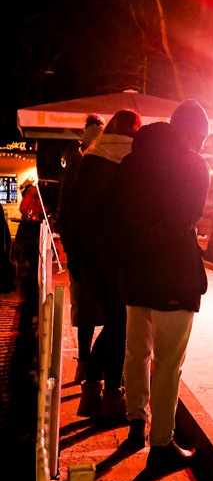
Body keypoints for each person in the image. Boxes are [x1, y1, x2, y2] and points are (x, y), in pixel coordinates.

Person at [107, 99, 211, 471]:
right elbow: (188, 215)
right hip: (173, 276)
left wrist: (131, 252)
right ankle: (161, 444)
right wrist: (157, 243)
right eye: (201, 138)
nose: (200, 145)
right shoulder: (193, 165)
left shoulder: (132, 162)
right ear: (193, 134)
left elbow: (109, 215)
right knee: (168, 364)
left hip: (136, 275)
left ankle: (136, 423)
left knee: (136, 351)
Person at [70, 109, 142, 422]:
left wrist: (76, 256)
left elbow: (72, 211)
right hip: (116, 254)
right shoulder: (131, 160)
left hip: (88, 257)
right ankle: (111, 394)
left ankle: (91, 396)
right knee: (119, 324)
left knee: (114, 322)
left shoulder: (89, 158)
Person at [56, 113, 106, 383]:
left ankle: (88, 366)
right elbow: (65, 215)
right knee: (89, 311)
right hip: (87, 251)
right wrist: (73, 253)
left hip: (95, 251)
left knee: (98, 312)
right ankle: (86, 365)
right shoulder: (78, 165)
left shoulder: (87, 164)